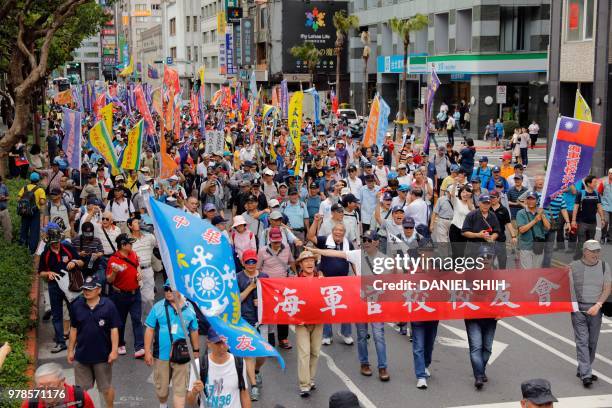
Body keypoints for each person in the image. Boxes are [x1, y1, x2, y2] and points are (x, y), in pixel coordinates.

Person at [144, 280, 200, 408]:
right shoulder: (158, 307)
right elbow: (150, 329)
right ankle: (163, 405)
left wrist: (196, 350)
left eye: (171, 289)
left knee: (180, 391)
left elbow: (194, 330)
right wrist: (147, 351)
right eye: (166, 289)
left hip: (183, 356)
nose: (168, 292)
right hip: (161, 356)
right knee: (162, 390)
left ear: (180, 290)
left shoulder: (189, 309)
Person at [68, 276, 120, 408]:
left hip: (102, 356)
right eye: (84, 288)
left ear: (99, 290)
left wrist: (114, 351)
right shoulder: (76, 305)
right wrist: (70, 350)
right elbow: (73, 329)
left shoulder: (109, 305)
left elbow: (114, 329)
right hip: (81, 356)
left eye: (90, 289)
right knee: (80, 392)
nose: (86, 291)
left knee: (106, 388)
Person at [569, 240, 611, 387]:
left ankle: (582, 368)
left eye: (598, 251)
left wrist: (598, 305)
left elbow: (607, 288)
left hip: (596, 309)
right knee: (582, 341)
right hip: (578, 309)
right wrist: (573, 306)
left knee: (592, 342)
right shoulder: (573, 267)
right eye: (593, 251)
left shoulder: (604, 266)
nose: (596, 254)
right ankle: (586, 374)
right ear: (585, 251)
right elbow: (565, 286)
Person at [308, 221, 354, 345]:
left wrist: (358, 276)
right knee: (327, 306)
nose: (338, 232)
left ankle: (346, 333)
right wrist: (316, 221)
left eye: (341, 230)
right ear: (332, 231)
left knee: (345, 308)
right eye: (336, 230)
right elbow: (310, 237)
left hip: (343, 280)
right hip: (326, 279)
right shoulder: (324, 240)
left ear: (344, 233)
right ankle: (327, 335)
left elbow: (353, 261)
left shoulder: (348, 244)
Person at [39, 227, 84, 353]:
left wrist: (74, 262)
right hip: (54, 286)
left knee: (75, 311)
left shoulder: (67, 248)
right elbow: (40, 272)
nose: (56, 244)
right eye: (53, 243)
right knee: (57, 315)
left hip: (70, 284)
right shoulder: (45, 254)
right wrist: (48, 273)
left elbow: (81, 262)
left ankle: (79, 340)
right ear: (49, 242)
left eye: (57, 242)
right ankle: (60, 342)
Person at [186, 328, 251, 408]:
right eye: (217, 343)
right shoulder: (198, 364)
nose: (222, 347)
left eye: (225, 342)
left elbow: (244, 394)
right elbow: (190, 401)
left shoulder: (239, 362)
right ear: (208, 343)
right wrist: (194, 391)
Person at [291, 250, 324, 397]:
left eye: (312, 260)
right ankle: (304, 384)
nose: (310, 263)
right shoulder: (294, 280)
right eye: (306, 261)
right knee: (304, 352)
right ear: (300, 264)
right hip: (301, 322)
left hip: (318, 319)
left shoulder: (322, 277)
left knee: (315, 352)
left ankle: (311, 379)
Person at [237, 249, 269, 401]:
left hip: (262, 320)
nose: (251, 264)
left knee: (262, 354)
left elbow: (271, 298)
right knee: (249, 354)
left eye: (253, 261)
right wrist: (250, 288)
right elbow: (236, 300)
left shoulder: (264, 277)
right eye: (248, 261)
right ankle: (254, 386)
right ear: (243, 263)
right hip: (245, 320)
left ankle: (256, 370)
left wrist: (261, 302)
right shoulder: (238, 278)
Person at [106, 233, 145, 358]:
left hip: (135, 293)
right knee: (120, 321)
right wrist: (114, 273)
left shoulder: (133, 254)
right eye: (130, 243)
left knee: (136, 319)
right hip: (120, 295)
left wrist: (139, 274)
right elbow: (109, 280)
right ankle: (120, 344)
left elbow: (137, 266)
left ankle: (139, 347)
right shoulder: (113, 259)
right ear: (123, 245)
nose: (132, 245)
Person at [257, 227, 295, 349]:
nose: (276, 244)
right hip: (268, 286)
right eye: (274, 242)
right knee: (270, 312)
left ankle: (283, 338)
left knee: (283, 312)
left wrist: (296, 274)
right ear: (269, 240)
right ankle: (270, 340)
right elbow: (258, 268)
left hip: (284, 285)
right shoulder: (262, 251)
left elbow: (291, 262)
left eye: (278, 241)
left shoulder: (287, 248)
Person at [21, 362, 95, 407]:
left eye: (51, 385)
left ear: (62, 381)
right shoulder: (30, 402)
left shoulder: (80, 397)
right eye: (41, 386)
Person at [128, 217, 158, 319]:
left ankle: (150, 320)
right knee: (138, 298)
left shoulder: (149, 237)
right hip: (135, 271)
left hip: (148, 270)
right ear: (130, 226)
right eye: (135, 222)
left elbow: (160, 245)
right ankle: (139, 320)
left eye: (139, 221)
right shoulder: (128, 241)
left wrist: (155, 231)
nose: (138, 223)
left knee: (149, 298)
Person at [572, 175, 606, 259]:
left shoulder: (596, 194)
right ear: (588, 183)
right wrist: (573, 220)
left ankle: (587, 258)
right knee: (581, 242)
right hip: (582, 222)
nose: (596, 184)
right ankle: (579, 258)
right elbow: (576, 207)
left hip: (593, 223)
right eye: (594, 182)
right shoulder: (581, 193)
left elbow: (599, 206)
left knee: (590, 242)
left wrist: (602, 218)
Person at [18, 172, 46, 253]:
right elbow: (42, 201)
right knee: (34, 231)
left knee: (24, 229)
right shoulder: (40, 190)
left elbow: (19, 199)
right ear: (38, 180)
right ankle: (32, 250)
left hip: (24, 211)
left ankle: (22, 247)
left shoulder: (24, 188)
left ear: (30, 179)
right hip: (35, 212)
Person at [0, 175, 12, 241]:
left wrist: (4, 198)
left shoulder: (3, 187)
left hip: (4, 210)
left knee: (8, 229)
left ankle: (8, 244)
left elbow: (8, 197)